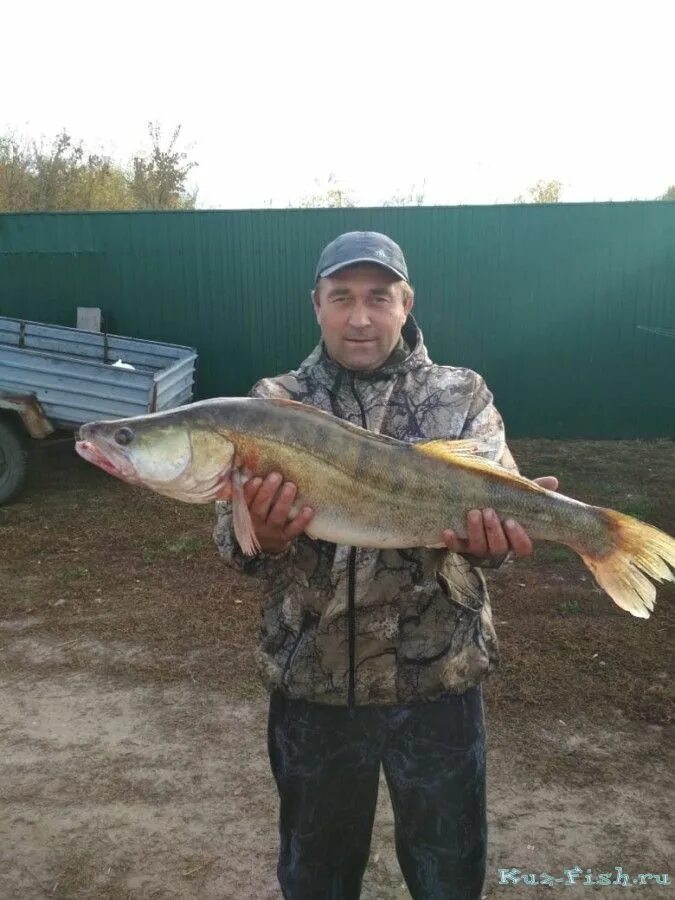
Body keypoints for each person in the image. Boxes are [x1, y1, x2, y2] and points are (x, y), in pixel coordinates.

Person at [214, 231, 557, 900]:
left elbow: (500, 525)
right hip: (314, 687)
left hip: (439, 686)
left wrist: (490, 546)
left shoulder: (461, 395)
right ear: (316, 304)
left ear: (406, 302)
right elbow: (233, 544)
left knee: (447, 876)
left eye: (378, 297)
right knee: (315, 878)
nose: (360, 317)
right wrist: (268, 537)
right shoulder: (271, 403)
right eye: (341, 297)